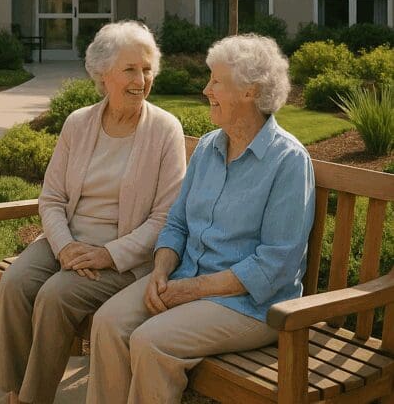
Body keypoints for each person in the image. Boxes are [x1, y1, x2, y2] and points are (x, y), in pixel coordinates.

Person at [87, 34, 315, 404]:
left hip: (250, 307)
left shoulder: (288, 161)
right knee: (108, 323)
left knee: (151, 342)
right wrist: (160, 272)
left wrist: (191, 290)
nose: (206, 89)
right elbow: (176, 223)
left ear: (248, 92)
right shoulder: (210, 147)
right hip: (182, 279)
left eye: (216, 81)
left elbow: (275, 265)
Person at [0, 21, 187, 404]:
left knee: (55, 296)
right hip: (67, 240)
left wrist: (108, 254)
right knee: (15, 283)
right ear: (103, 75)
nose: (141, 79)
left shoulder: (165, 130)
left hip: (123, 255)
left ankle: (33, 400)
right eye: (130, 70)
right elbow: (50, 198)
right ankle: (14, 392)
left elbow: (165, 218)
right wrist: (65, 247)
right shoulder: (79, 123)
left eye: (147, 69)